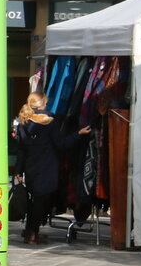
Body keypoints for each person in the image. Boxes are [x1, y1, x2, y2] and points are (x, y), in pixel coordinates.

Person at [14, 91, 90, 244]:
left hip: (31, 167)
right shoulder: (49, 121)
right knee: (41, 202)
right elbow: (61, 144)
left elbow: (21, 150)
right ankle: (33, 235)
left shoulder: (23, 122)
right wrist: (78, 134)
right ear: (43, 103)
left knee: (34, 202)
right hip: (47, 167)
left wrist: (18, 170)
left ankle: (30, 233)